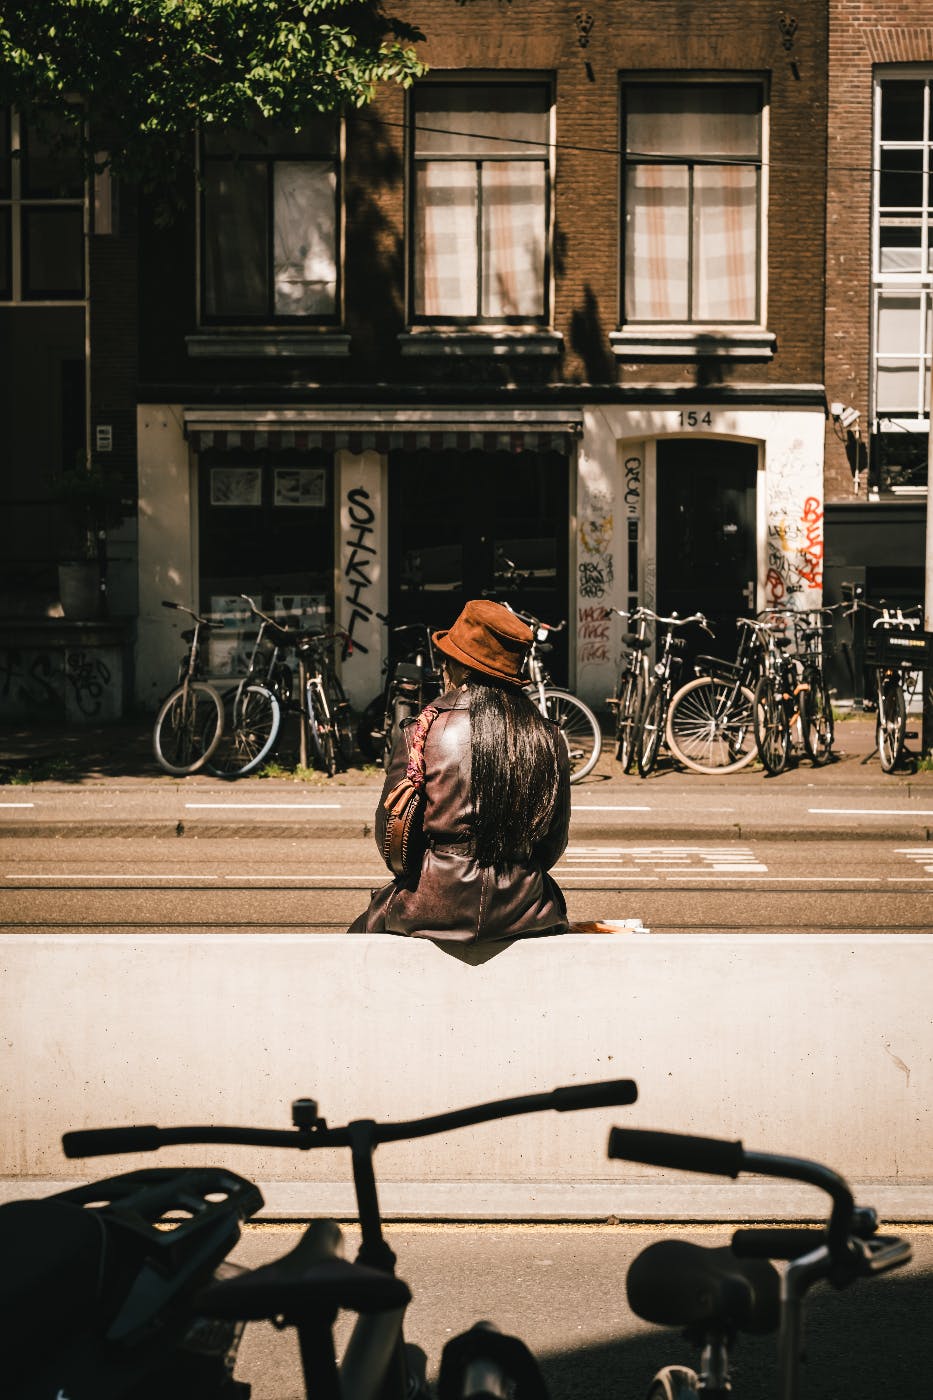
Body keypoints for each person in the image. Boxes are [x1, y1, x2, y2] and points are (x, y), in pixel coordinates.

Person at [348, 598, 570, 945]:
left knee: (356, 941)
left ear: (456, 665)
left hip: (431, 902)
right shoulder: (547, 736)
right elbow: (551, 846)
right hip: (525, 908)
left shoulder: (423, 729)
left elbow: (393, 846)